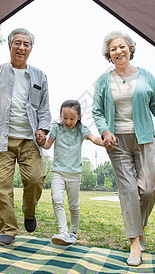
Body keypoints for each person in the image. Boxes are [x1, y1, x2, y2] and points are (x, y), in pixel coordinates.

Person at [92, 31, 155, 266]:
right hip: (116, 141)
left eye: (122, 46)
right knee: (127, 190)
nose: (118, 51)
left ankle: (138, 227)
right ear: (109, 54)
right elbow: (97, 111)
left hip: (145, 138)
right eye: (113, 49)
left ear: (130, 49)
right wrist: (105, 132)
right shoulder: (104, 81)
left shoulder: (147, 77)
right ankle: (135, 243)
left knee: (147, 189)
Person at [0, 28, 51, 246]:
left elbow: (44, 109)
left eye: (26, 44)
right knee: (3, 187)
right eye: (17, 43)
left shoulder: (39, 76)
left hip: (29, 139)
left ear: (31, 49)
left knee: (36, 179)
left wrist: (43, 130)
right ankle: (8, 229)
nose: (21, 47)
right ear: (10, 46)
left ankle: (29, 211)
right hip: (2, 138)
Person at [41, 100, 104, 246]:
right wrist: (41, 141)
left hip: (74, 173)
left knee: (73, 205)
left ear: (79, 117)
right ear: (60, 116)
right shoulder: (56, 129)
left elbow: (93, 138)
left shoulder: (81, 130)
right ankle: (63, 231)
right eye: (65, 118)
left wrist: (105, 142)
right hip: (58, 171)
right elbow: (48, 145)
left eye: (72, 118)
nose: (68, 121)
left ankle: (73, 233)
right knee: (56, 199)